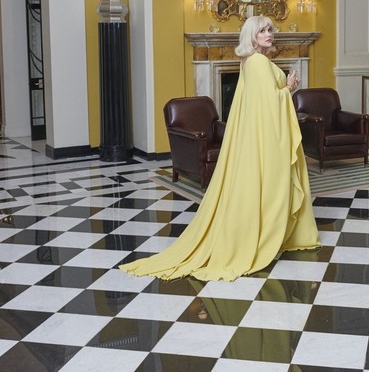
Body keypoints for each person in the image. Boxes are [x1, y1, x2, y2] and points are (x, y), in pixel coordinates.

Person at [119, 15, 320, 281]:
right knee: (273, 187)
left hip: (260, 134)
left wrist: (282, 89)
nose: (269, 34)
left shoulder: (251, 61)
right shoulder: (258, 63)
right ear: (252, 36)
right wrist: (289, 88)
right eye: (262, 31)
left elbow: (261, 103)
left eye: (270, 29)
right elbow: (270, 104)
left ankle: (270, 232)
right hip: (266, 138)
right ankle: (263, 237)